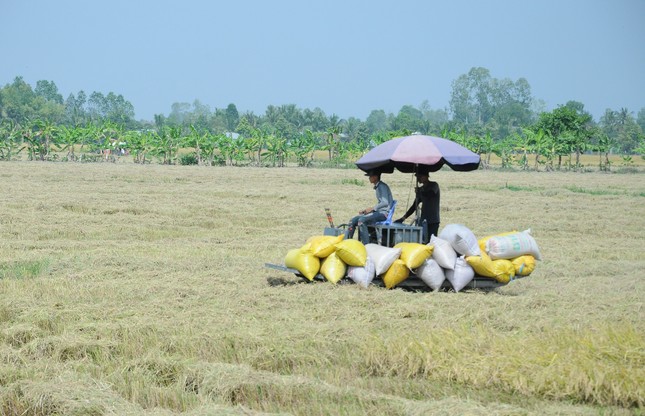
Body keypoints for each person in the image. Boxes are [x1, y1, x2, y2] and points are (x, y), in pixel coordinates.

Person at [345, 170, 394, 244]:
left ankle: (366, 245)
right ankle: (347, 242)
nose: (369, 178)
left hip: (383, 214)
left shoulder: (382, 186)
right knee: (353, 220)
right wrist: (367, 210)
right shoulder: (378, 186)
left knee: (362, 221)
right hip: (378, 212)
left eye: (370, 176)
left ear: (376, 177)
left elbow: (385, 202)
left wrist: (372, 209)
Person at [394, 169, 440, 243]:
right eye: (418, 177)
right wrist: (403, 218)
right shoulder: (421, 190)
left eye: (420, 176)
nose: (418, 178)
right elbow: (414, 206)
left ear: (426, 176)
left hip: (433, 220)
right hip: (424, 220)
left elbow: (430, 194)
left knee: (432, 242)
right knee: (422, 241)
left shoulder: (434, 185)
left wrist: (421, 191)